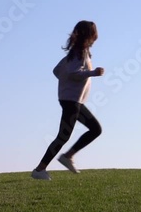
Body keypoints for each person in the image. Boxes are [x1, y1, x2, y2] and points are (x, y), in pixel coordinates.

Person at [32, 20, 104, 180]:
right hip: (71, 101)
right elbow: (72, 73)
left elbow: (57, 70)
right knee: (63, 136)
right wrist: (92, 73)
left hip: (74, 101)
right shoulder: (79, 52)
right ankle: (40, 169)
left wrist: (65, 85)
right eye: (94, 35)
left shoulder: (76, 52)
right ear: (89, 35)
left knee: (95, 129)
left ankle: (67, 156)